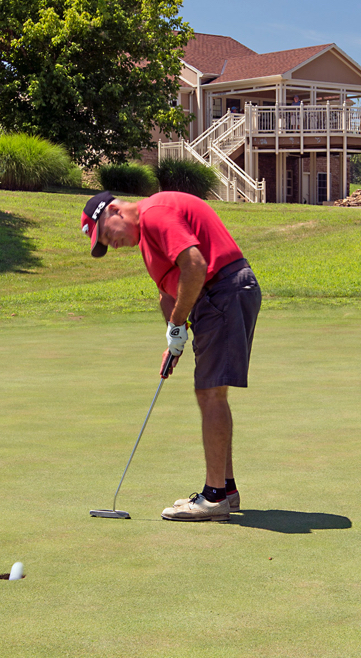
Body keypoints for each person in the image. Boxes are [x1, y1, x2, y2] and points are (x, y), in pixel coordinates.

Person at [81, 189, 262, 522]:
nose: (113, 244)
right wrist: (173, 338)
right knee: (210, 392)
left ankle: (214, 498)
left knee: (211, 392)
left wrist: (179, 324)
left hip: (224, 288)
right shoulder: (148, 244)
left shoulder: (156, 213)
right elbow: (169, 293)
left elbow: (194, 264)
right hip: (217, 296)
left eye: (107, 234)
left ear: (117, 210)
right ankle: (226, 490)